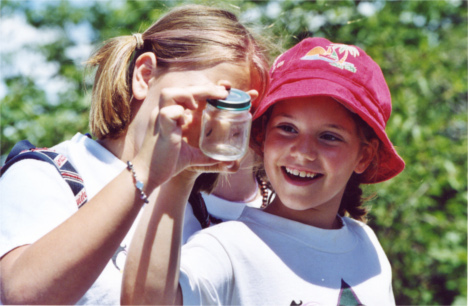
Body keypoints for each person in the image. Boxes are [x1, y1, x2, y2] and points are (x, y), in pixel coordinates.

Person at [0, 4, 269, 304]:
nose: (213, 120)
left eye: (235, 108)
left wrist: (180, 179)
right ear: (145, 75)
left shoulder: (202, 210)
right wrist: (145, 170)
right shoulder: (47, 174)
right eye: (208, 99)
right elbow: (23, 296)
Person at [121, 37, 405, 305]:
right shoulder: (228, 247)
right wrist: (178, 179)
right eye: (287, 128)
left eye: (329, 136)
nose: (303, 151)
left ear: (364, 156)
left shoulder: (367, 244)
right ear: (261, 137)